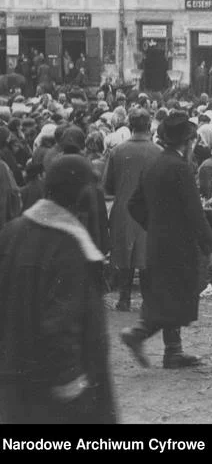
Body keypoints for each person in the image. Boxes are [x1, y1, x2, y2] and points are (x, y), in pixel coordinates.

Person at [0, 155, 117, 423]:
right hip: (55, 388)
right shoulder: (68, 246)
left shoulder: (11, 232)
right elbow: (61, 322)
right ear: (80, 193)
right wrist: (71, 380)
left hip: (12, 378)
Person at [122, 111, 212, 370]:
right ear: (186, 143)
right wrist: (209, 247)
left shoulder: (153, 165)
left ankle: (173, 351)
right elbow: (194, 212)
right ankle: (140, 334)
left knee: (167, 292)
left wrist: (154, 225)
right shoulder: (181, 169)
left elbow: (133, 204)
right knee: (177, 295)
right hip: (179, 245)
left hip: (156, 242)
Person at [103, 108, 162, 312]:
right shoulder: (159, 152)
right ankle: (148, 300)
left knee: (124, 255)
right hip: (150, 212)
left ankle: (124, 298)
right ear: (149, 126)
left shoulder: (117, 152)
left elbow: (108, 186)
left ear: (130, 125)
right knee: (147, 255)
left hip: (123, 210)